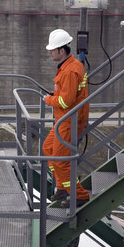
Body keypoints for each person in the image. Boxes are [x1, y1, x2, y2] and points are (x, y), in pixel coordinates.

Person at [42, 28, 91, 208]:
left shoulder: (70, 71)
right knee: (48, 148)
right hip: (65, 119)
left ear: (61, 51)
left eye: (52, 50)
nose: (49, 52)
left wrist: (49, 100)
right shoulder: (70, 66)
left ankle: (80, 195)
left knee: (61, 162)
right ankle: (62, 186)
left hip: (69, 121)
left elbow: (66, 100)